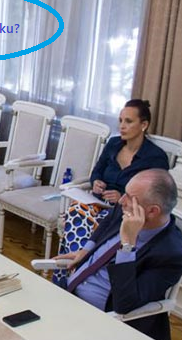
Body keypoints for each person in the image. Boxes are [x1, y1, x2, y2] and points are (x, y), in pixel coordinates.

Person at [53, 169, 182, 340]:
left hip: (102, 324)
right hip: (67, 297)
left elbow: (125, 304)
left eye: (130, 197)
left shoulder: (171, 256)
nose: (121, 201)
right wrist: (86, 249)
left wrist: (127, 246)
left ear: (152, 211)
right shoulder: (126, 208)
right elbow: (108, 221)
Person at [60, 99, 169, 254]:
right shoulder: (113, 144)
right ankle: (79, 261)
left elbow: (154, 197)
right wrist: (96, 182)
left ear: (144, 125)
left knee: (88, 222)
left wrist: (123, 197)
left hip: (125, 212)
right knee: (76, 209)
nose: (122, 126)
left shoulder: (155, 157)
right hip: (99, 202)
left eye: (128, 121)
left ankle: (78, 261)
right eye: (120, 120)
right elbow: (97, 171)